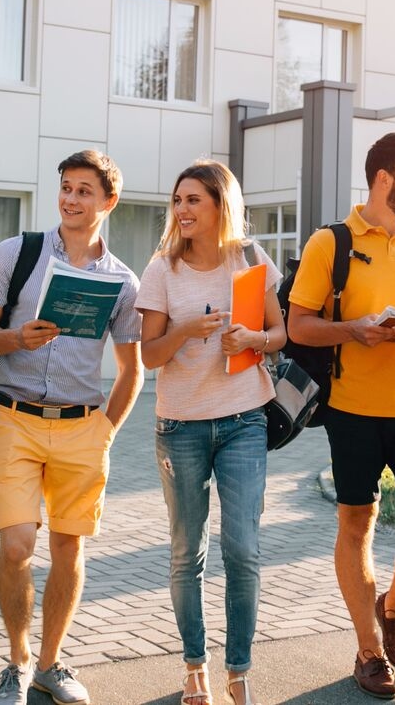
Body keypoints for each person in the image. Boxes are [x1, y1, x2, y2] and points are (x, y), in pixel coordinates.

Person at [0, 150, 144, 705]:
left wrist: (105, 431)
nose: (70, 199)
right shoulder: (16, 254)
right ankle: (16, 663)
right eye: (66, 187)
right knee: (18, 545)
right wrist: (19, 339)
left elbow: (133, 369)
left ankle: (50, 664)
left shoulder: (121, 281)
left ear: (108, 202)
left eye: (84, 190)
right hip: (14, 418)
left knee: (68, 548)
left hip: (81, 428)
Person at [286, 131, 395, 700]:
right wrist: (353, 331)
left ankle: (393, 607)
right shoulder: (328, 243)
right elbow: (298, 326)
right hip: (351, 410)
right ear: (385, 179)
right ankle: (367, 650)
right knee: (355, 525)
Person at [136, 160, 286, 705]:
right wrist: (184, 330)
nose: (182, 210)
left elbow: (280, 331)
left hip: (244, 418)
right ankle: (194, 662)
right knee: (186, 550)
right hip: (180, 426)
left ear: (221, 204)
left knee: (242, 548)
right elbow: (149, 354)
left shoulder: (250, 259)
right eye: (177, 200)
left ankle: (239, 668)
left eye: (193, 200)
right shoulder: (162, 270)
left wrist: (252, 337)